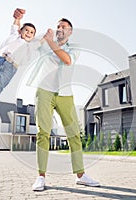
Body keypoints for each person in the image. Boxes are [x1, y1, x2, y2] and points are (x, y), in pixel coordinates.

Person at [29, 18, 100, 191]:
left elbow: (67, 60)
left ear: (70, 32)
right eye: (58, 26)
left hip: (65, 94)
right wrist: (18, 22)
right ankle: (41, 177)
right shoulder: (45, 42)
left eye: (64, 27)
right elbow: (27, 40)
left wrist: (51, 41)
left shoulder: (74, 48)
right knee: (43, 133)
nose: (60, 29)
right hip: (44, 91)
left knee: (74, 135)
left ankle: (81, 176)